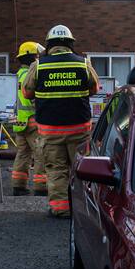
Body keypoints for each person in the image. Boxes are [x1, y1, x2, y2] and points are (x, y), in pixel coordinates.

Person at [21, 25, 99, 218]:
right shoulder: (83, 63)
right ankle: (84, 211)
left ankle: (61, 208)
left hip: (50, 130)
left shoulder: (39, 65)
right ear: (71, 44)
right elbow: (95, 88)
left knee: (56, 169)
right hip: (79, 127)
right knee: (81, 168)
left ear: (48, 45)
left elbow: (26, 92)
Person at [10, 41, 47, 197]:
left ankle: (18, 186)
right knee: (40, 153)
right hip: (32, 121)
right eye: (37, 55)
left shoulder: (17, 75)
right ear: (33, 57)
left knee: (22, 154)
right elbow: (32, 99)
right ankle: (41, 186)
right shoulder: (31, 75)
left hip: (19, 122)